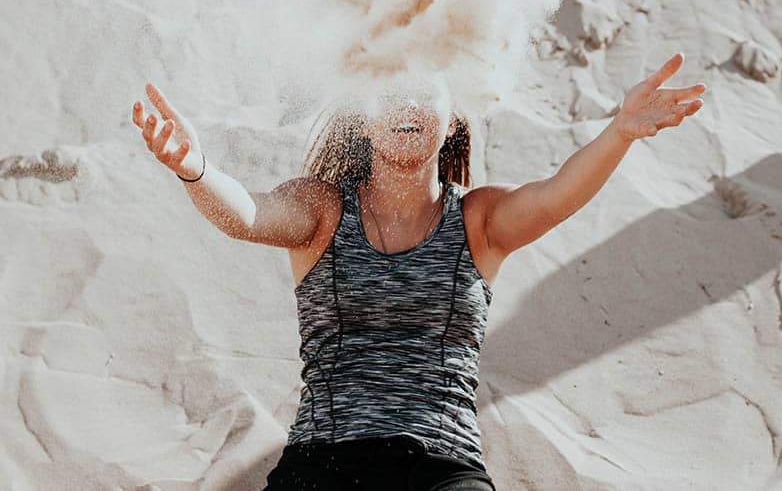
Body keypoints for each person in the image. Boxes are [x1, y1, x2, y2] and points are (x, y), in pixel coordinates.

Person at [131, 54, 704, 490]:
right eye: (387, 95)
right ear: (363, 119)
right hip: (322, 459)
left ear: (451, 118)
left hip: (441, 467)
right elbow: (247, 216)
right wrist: (196, 169)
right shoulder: (324, 209)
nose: (404, 107)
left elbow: (556, 196)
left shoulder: (479, 221)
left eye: (421, 93)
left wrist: (620, 132)